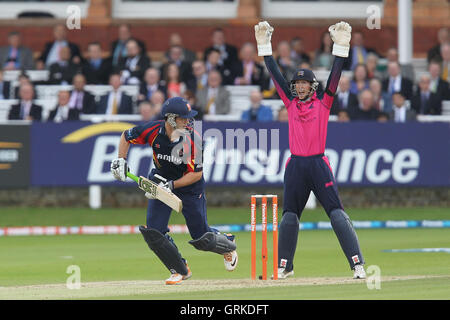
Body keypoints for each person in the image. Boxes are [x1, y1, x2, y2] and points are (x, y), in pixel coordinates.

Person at [254, 20, 365, 279]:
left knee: (337, 215)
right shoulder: (290, 103)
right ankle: (285, 266)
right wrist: (265, 46)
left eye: (305, 83)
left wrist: (341, 47)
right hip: (295, 166)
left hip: (318, 165)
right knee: (289, 217)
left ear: (312, 86)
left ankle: (357, 264)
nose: (300, 86)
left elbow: (335, 77)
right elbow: (275, 74)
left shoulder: (324, 103)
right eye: (298, 84)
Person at [110, 97, 238, 285]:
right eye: (183, 118)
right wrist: (121, 160)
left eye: (188, 118)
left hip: (190, 188)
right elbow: (126, 136)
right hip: (160, 181)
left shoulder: (194, 140)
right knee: (154, 232)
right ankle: (180, 270)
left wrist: (171, 186)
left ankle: (227, 244)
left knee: (201, 238)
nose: (188, 121)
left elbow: (196, 175)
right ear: (170, 119)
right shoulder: (153, 130)